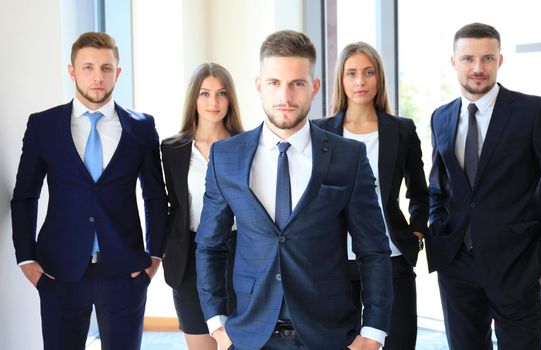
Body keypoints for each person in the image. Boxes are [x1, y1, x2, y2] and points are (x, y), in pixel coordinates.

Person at [195, 30, 393, 350]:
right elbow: (209, 246)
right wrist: (217, 323)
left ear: (314, 88)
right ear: (259, 86)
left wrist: (372, 332)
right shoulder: (226, 156)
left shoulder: (348, 157)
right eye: (274, 83)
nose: (285, 97)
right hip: (249, 334)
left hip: (328, 334)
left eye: (297, 83)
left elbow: (374, 250)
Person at [427, 22, 541, 349]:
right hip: (457, 269)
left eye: (487, 58)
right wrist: (437, 229)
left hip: (518, 268)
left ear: (499, 61)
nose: (477, 68)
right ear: (453, 62)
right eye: (468, 58)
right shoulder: (440, 117)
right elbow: (439, 188)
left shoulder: (533, 112)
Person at [11, 32, 167, 350]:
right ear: (72, 71)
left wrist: (154, 257)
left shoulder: (141, 127)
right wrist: (26, 259)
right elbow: (26, 195)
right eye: (88, 67)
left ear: (117, 73)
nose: (98, 77)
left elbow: (155, 196)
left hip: (125, 273)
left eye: (106, 68)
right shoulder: (44, 125)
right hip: (58, 273)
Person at [314, 42, 428, 350]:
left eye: (368, 73)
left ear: (379, 78)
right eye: (351, 74)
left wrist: (416, 233)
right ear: (341, 79)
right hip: (336, 260)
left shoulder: (402, 130)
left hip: (391, 258)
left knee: (399, 341)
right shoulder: (320, 132)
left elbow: (420, 192)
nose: (360, 82)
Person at [161, 62, 243, 350]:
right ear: (194, 99)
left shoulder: (247, 145)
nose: (213, 102)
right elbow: (172, 207)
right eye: (205, 94)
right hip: (190, 260)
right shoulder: (172, 149)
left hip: (238, 256)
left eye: (221, 94)